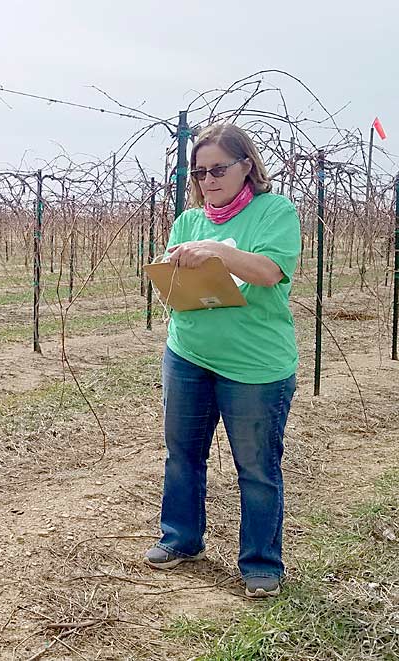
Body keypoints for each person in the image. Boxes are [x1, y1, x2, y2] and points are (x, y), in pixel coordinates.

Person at [144, 123, 301, 599]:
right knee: (183, 456)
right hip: (188, 353)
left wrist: (214, 251)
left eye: (217, 169)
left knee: (256, 467)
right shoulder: (188, 221)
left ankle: (260, 563)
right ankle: (180, 539)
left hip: (255, 366)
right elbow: (176, 282)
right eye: (198, 172)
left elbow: (270, 271)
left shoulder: (275, 212)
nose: (207, 180)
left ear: (246, 166)